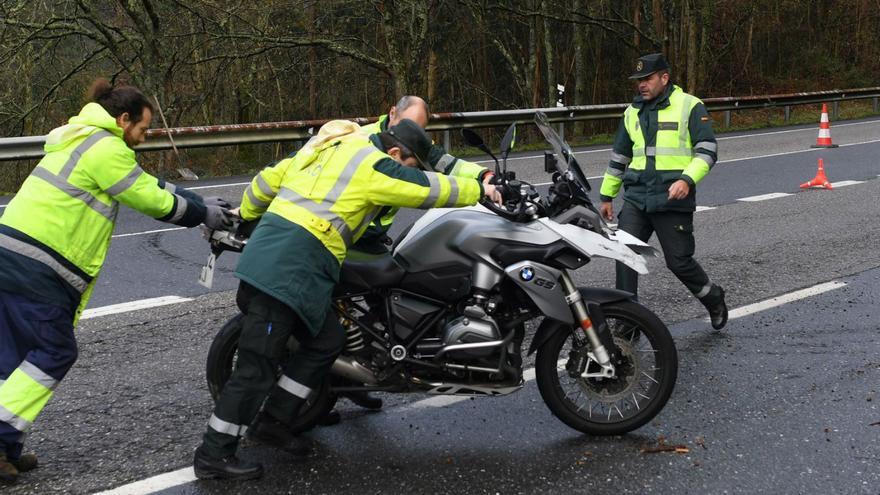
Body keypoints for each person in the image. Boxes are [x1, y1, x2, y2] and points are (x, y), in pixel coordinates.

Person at [193, 119, 497, 480]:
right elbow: (423, 189)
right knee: (257, 365)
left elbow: (267, 181)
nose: (410, 168)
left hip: (296, 261)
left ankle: (275, 421)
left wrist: (245, 213)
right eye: (411, 162)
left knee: (327, 341)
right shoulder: (373, 163)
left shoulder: (327, 149)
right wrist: (479, 190)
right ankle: (213, 454)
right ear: (396, 152)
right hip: (287, 266)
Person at [0, 79, 232, 485]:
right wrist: (200, 214)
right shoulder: (106, 147)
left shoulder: (83, 139)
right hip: (40, 265)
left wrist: (197, 199)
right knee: (53, 350)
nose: (143, 138)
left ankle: (7, 449)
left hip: (13, 255)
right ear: (123, 120)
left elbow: (144, 183)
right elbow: (150, 198)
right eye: (142, 129)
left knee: (12, 356)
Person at [598, 53, 728, 330]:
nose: (641, 85)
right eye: (638, 81)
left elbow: (707, 150)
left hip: (671, 199)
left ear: (664, 78)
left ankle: (713, 297)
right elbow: (619, 157)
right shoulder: (631, 112)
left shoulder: (689, 106)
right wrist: (606, 195)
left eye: (647, 79)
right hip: (636, 198)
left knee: (678, 263)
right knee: (625, 253)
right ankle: (628, 321)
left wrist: (686, 180)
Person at [354, 95, 501, 254]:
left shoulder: (415, 140)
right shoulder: (363, 141)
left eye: (419, 129)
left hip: (373, 234)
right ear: (392, 113)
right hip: (353, 231)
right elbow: (422, 188)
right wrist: (478, 190)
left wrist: (483, 175)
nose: (411, 134)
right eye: (406, 124)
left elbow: (447, 163)